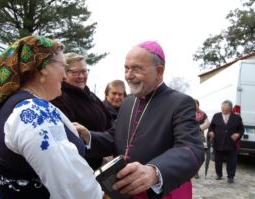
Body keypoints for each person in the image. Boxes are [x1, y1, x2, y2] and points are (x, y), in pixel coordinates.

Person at [0, 35, 103, 198]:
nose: (64, 74)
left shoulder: (12, 103)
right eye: (63, 65)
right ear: (44, 67)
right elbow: (77, 191)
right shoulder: (33, 112)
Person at [76, 41, 204, 198]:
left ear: (158, 71)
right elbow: (115, 137)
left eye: (136, 69)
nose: (128, 75)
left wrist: (154, 171)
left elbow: (191, 149)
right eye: (126, 68)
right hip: (125, 191)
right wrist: (89, 136)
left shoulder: (180, 103)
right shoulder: (129, 102)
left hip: (161, 193)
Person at [51, 52, 112, 170]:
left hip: (106, 158)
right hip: (84, 167)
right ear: (64, 73)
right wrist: (100, 159)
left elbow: (110, 123)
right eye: (75, 72)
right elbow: (71, 138)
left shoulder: (92, 96)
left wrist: (110, 147)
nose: (81, 76)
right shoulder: (59, 98)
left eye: (84, 71)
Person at [208, 100, 244, 184]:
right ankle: (219, 174)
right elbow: (212, 127)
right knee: (218, 160)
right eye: (222, 107)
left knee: (232, 160)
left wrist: (238, 134)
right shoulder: (216, 116)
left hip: (231, 142)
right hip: (218, 141)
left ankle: (231, 176)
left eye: (225, 107)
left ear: (230, 108)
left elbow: (241, 129)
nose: (223, 109)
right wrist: (211, 132)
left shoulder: (237, 118)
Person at [194, 99, 210, 179]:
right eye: (193, 104)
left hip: (200, 136)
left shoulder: (203, 114)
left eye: (196, 104)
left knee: (201, 156)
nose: (195, 106)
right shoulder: (187, 112)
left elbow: (208, 123)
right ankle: (194, 171)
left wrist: (200, 127)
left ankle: (195, 170)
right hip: (189, 136)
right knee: (192, 154)